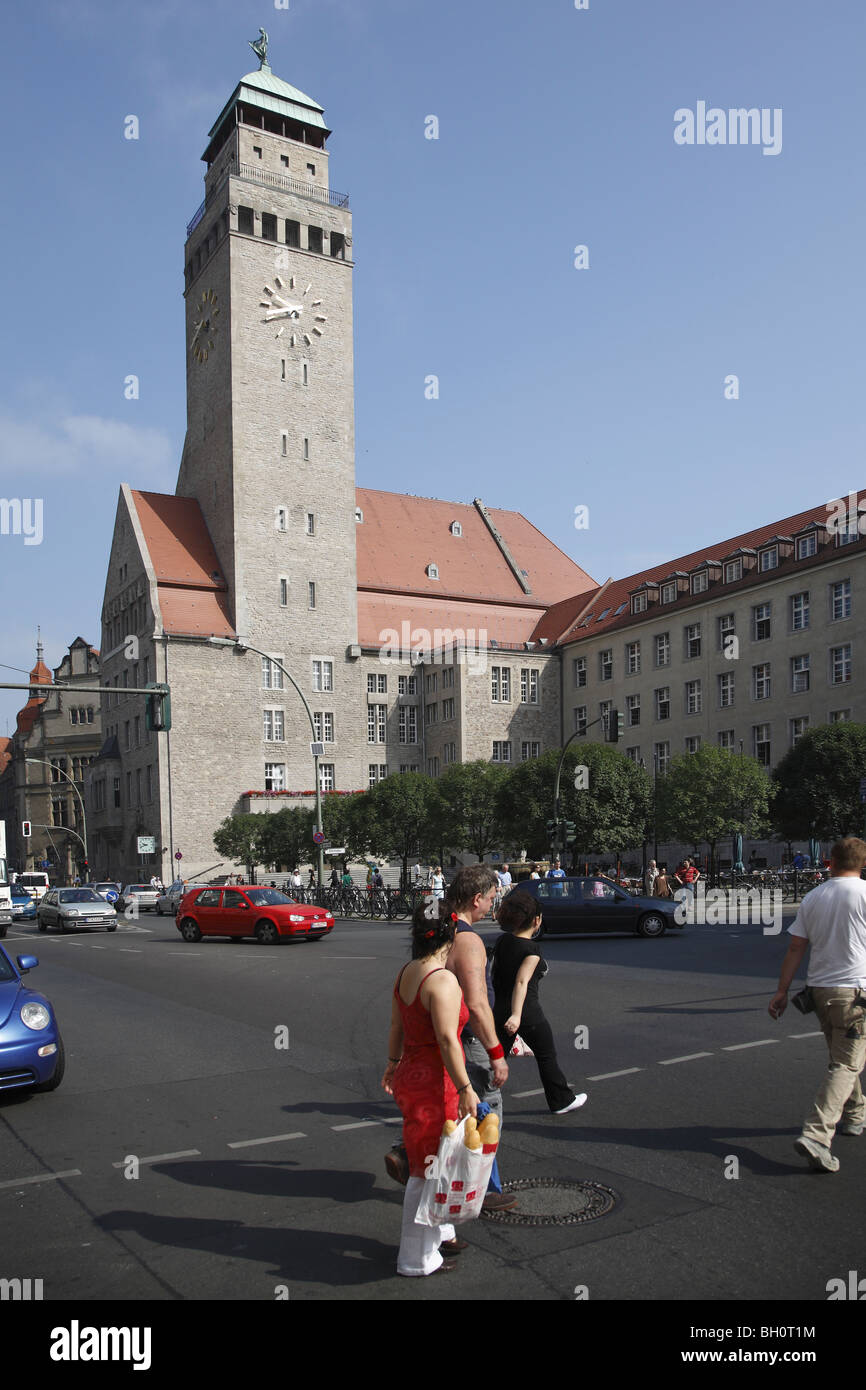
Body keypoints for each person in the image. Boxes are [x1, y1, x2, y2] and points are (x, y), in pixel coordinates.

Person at [382, 900, 479, 1275]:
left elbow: (396, 1027)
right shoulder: (442, 980)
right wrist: (466, 1086)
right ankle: (415, 1259)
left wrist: (392, 1065)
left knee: (431, 1161)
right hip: (435, 1083)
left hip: (411, 1074)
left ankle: (439, 1236)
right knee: (426, 1171)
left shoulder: (407, 972)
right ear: (451, 934)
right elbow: (447, 1039)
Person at [769, 837, 866, 1173]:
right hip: (854, 991)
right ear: (862, 862)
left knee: (841, 1056)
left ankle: (855, 1115)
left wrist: (781, 992)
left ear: (830, 861)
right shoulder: (864, 894)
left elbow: (795, 949)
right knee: (847, 1063)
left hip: (820, 991)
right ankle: (817, 1135)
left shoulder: (813, 897)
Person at [492, 890, 587, 1114]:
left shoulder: (503, 940)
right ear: (536, 921)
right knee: (546, 1055)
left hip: (500, 1008)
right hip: (527, 1012)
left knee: (494, 1058)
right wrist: (516, 1015)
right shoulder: (531, 950)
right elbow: (522, 982)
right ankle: (561, 1100)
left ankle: (474, 1097)